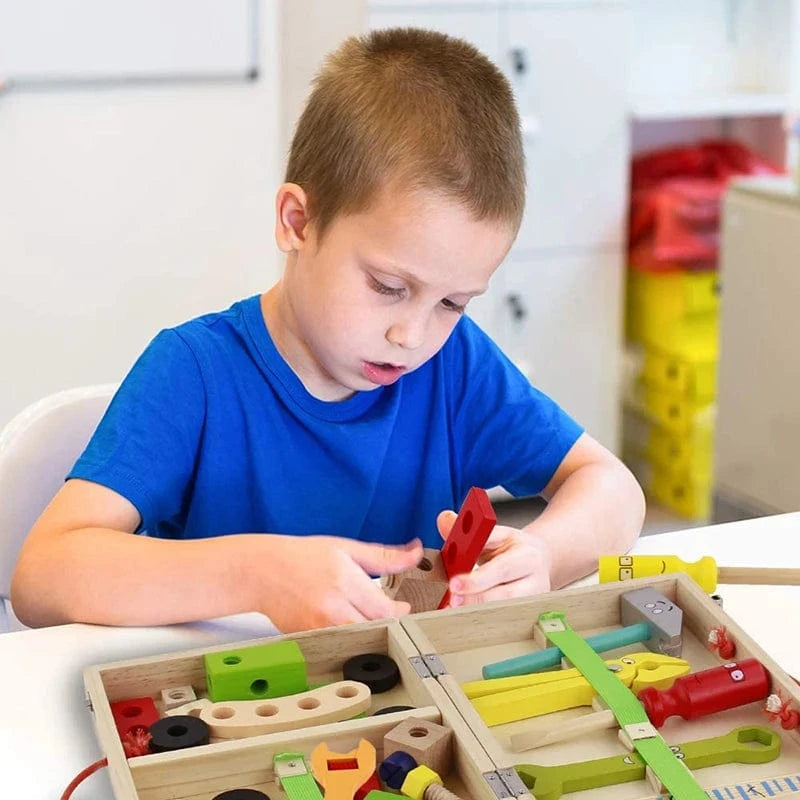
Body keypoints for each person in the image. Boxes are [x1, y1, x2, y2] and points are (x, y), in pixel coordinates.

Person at [11, 28, 644, 632]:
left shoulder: (455, 368)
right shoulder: (194, 374)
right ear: (297, 222)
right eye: (388, 288)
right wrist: (256, 574)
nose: (413, 336)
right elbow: (43, 577)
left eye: (453, 302)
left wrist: (543, 554)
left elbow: (614, 489)